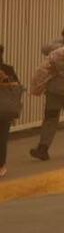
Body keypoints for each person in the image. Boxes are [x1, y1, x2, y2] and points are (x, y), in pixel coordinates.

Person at [29, 28, 64, 161]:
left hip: (55, 91)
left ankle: (43, 148)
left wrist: (62, 39)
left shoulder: (56, 51)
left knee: (50, 119)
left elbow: (45, 48)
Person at [0, 44, 20, 178]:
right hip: (4, 109)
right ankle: (1, 165)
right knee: (2, 138)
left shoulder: (6, 70)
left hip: (3, 109)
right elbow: (16, 87)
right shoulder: (8, 69)